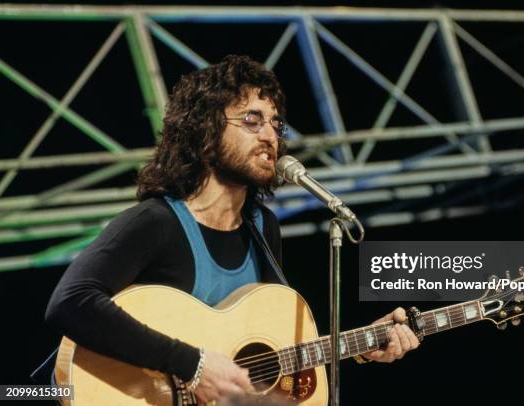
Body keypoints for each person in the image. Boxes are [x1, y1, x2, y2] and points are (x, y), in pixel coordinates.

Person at [45, 55, 420, 404]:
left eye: (275, 123)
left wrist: (362, 346)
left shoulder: (263, 229)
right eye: (251, 120)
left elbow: (268, 355)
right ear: (204, 132)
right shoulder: (156, 222)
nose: (270, 136)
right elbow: (70, 303)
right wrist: (192, 366)